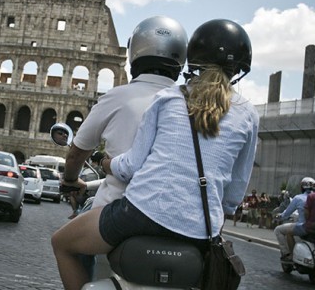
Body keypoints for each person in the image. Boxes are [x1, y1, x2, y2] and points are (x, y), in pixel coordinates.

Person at [52, 18, 259, 290]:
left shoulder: (170, 98)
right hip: (201, 230)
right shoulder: (249, 115)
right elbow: (232, 196)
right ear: (241, 68)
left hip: (142, 212)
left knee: (62, 244)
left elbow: (131, 166)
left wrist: (105, 162)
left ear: (193, 59)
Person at [61, 15, 188, 209]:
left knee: (61, 240)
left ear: (134, 52)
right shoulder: (190, 105)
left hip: (115, 208)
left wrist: (70, 180)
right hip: (171, 213)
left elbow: (75, 156)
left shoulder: (116, 97)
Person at [274, 177, 315, 262]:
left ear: (302, 187)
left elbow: (287, 213)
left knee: (279, 230)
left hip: (303, 225)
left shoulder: (298, 198)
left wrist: (280, 216)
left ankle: (288, 254)